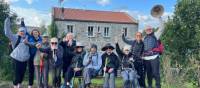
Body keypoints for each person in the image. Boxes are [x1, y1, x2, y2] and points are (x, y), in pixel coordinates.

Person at [4, 17, 29, 88]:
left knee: (22, 73)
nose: (22, 32)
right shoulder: (15, 37)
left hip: (24, 60)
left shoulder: (27, 38)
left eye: (23, 31)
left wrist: (22, 21)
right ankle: (15, 85)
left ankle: (19, 85)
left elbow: (24, 27)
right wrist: (7, 20)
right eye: (20, 31)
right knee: (16, 73)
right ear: (18, 32)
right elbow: (7, 32)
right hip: (16, 59)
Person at [142, 17, 164, 88]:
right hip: (146, 58)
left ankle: (158, 86)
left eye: (150, 29)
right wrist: (123, 37)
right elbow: (134, 41)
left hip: (154, 57)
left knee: (155, 73)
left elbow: (162, 28)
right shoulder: (143, 38)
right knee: (149, 74)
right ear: (145, 31)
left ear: (152, 29)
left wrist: (159, 17)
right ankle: (150, 86)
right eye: (147, 29)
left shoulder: (156, 35)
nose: (148, 30)